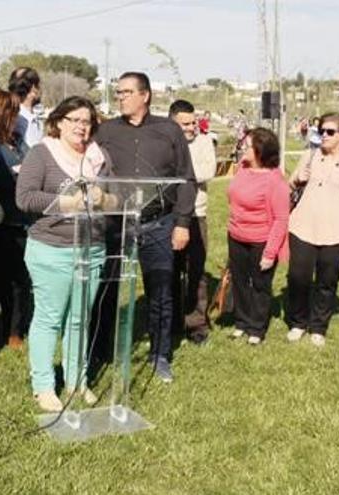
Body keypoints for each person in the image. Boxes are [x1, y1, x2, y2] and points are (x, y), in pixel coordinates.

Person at [95, 72, 196, 383]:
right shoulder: (107, 131)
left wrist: (182, 223)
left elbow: (186, 179)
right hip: (116, 222)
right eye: (119, 92)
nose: (121, 97)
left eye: (127, 92)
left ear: (145, 95)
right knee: (106, 288)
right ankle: (100, 351)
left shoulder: (169, 131)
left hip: (159, 223)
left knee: (161, 291)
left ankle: (160, 355)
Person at [16, 96, 113, 412]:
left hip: (92, 249)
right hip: (51, 249)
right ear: (59, 122)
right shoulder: (42, 154)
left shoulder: (100, 157)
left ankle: (77, 381)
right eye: (75, 120)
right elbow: (25, 197)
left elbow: (118, 198)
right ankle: (43, 386)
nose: (82, 127)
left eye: (87, 122)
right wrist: (66, 202)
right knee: (49, 318)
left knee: (79, 320)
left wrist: (104, 199)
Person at [287, 112, 339, 347]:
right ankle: (298, 322)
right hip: (303, 227)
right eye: (321, 131)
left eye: (330, 132)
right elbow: (290, 185)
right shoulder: (309, 155)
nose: (324, 135)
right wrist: (298, 178)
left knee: (327, 280)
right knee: (298, 277)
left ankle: (318, 326)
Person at [0, 88, 33, 351]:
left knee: (20, 280)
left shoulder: (19, 142)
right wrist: (16, 173)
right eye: (12, 111)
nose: (17, 117)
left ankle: (15, 330)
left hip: (21, 220)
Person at [227, 128, 290, 344]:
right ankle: (241, 322)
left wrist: (270, 253)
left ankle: (256, 328)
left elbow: (281, 219)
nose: (242, 147)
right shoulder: (242, 169)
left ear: (260, 151)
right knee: (239, 282)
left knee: (260, 286)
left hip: (261, 242)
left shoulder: (275, 180)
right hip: (236, 237)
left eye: (247, 145)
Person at [169, 99, 217, 343]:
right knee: (170, 271)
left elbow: (208, 171)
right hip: (169, 215)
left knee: (196, 271)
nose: (190, 128)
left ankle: (196, 324)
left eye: (193, 122)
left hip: (196, 214)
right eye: (184, 124)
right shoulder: (165, 141)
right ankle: (171, 321)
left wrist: (180, 173)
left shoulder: (204, 141)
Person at [8, 67, 43, 147]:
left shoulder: (37, 115)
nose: (40, 89)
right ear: (33, 89)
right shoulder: (14, 118)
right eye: (37, 85)